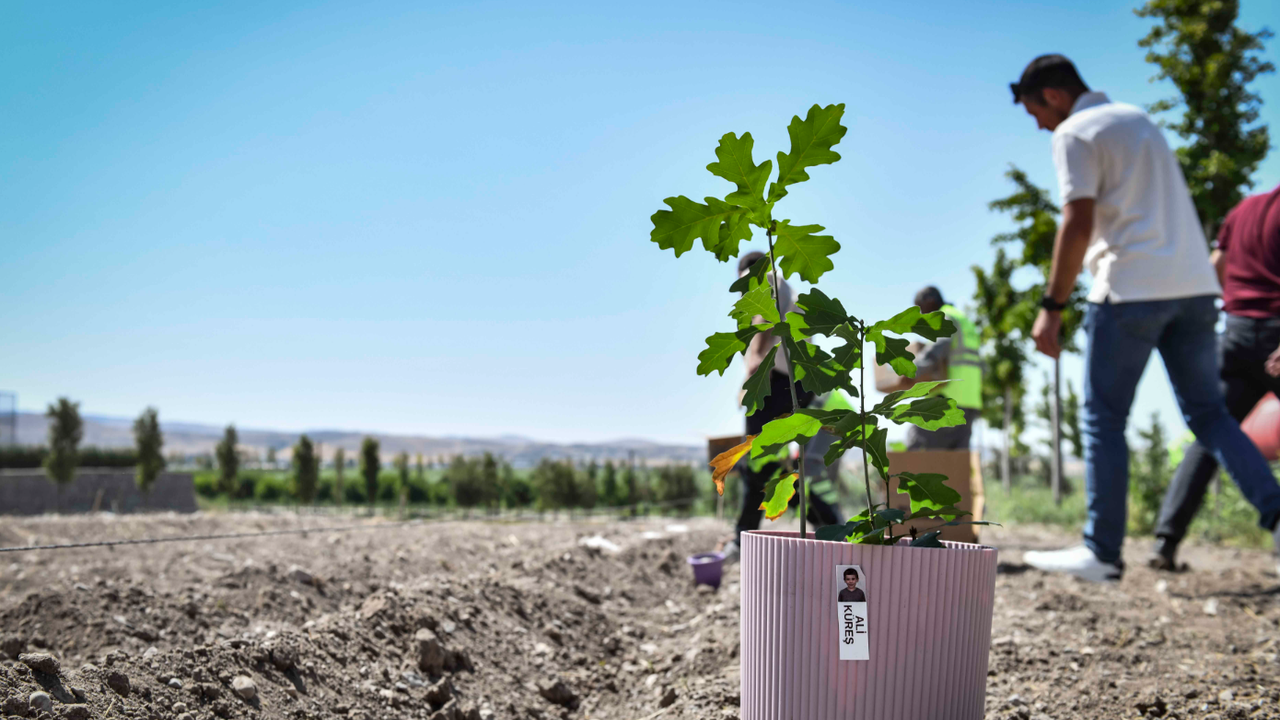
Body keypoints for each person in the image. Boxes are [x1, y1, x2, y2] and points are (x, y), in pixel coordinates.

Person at [1009, 54, 1280, 582]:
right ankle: (1277, 512)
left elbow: (1078, 218)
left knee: (1104, 418)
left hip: (1130, 289)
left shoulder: (1074, 134)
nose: (1038, 124)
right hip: (1197, 290)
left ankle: (1102, 552)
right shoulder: (1140, 120)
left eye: (1034, 112)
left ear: (1054, 96)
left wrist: (1052, 306)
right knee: (1211, 416)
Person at [1152, 184, 1280, 573]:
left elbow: (1215, 270)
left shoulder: (1243, 210)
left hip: (1237, 333)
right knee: (1212, 428)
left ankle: (1165, 542)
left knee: (1211, 433)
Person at [721, 251, 843, 561]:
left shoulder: (766, 278)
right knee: (777, 467)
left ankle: (742, 540)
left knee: (757, 462)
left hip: (773, 383)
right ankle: (832, 525)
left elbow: (763, 322)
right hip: (798, 385)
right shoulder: (791, 291)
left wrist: (751, 372)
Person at [905, 286, 984, 450]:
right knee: (955, 461)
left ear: (931, 301)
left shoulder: (945, 316)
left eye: (920, 308)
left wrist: (912, 370)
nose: (921, 314)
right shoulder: (963, 319)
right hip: (970, 399)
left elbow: (938, 346)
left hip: (947, 397)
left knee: (918, 446)